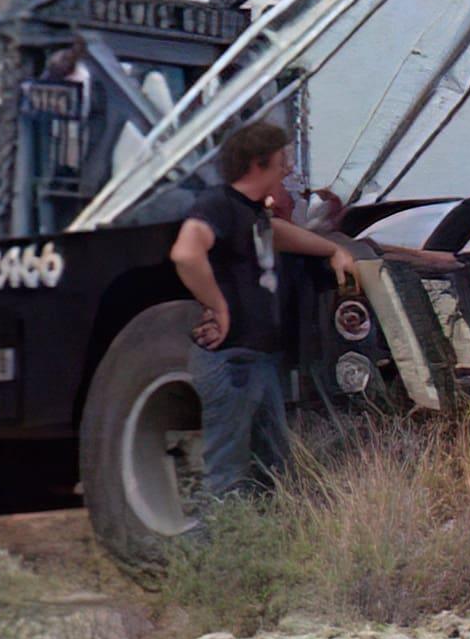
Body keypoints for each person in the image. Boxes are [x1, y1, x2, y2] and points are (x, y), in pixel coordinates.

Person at [169, 119, 418, 508]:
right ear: (258, 164)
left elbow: (279, 233)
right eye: (282, 161)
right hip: (231, 362)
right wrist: (217, 305)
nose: (288, 170)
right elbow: (186, 253)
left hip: (258, 360)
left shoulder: (250, 214)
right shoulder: (216, 205)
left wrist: (332, 250)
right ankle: (215, 555)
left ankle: (260, 550)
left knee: (273, 470)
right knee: (227, 476)